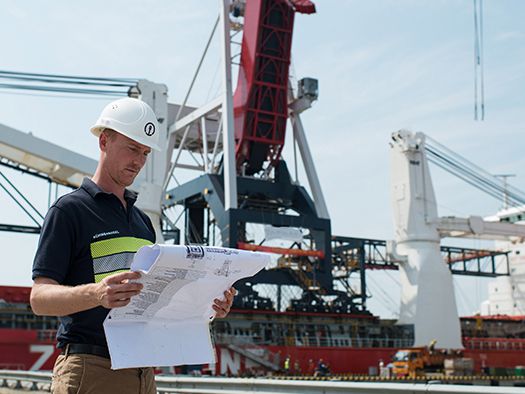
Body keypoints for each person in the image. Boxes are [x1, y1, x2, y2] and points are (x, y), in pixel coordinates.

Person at [30, 97, 236, 394]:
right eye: (131, 148)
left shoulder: (142, 223)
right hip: (91, 370)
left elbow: (155, 302)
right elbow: (39, 297)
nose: (139, 161)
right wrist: (97, 293)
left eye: (145, 152)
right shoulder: (69, 211)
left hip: (142, 372)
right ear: (104, 141)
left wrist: (208, 306)